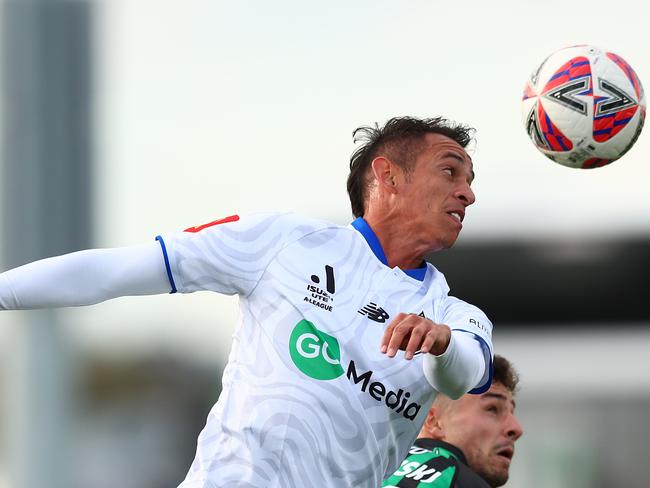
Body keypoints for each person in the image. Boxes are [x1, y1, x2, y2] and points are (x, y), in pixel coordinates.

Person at [0, 116, 493, 487]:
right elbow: (117, 271)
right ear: (387, 176)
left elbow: (463, 372)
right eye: (450, 172)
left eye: (470, 181)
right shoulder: (283, 242)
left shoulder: (453, 314)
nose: (467, 194)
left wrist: (443, 345)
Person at [383, 355, 523, 488]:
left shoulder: (379, 466)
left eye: (512, 412)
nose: (516, 428)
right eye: (492, 409)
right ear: (433, 421)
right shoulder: (456, 477)